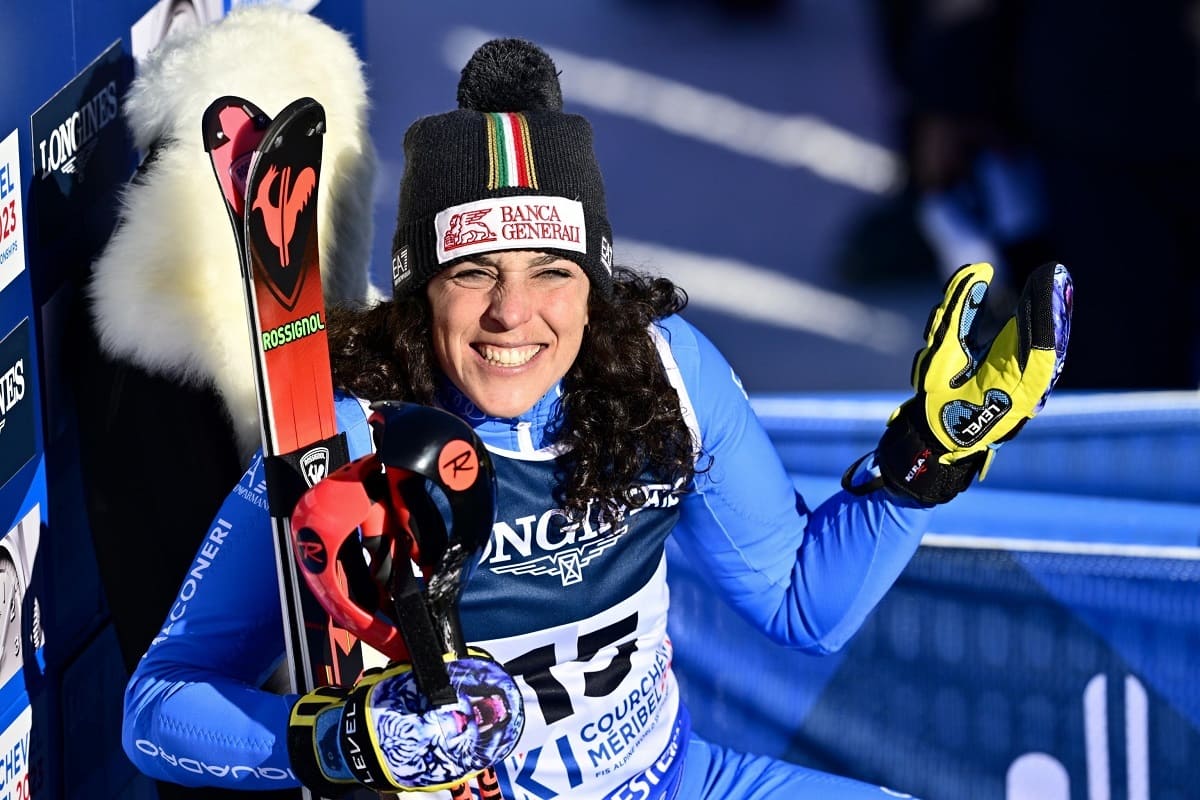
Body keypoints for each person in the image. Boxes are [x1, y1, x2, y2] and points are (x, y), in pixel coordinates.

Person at [122, 38, 1070, 799]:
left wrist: (920, 465)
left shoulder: (663, 373)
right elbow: (156, 711)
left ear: (595, 285)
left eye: (552, 273)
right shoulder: (345, 438)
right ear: (419, 290)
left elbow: (801, 608)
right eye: (473, 273)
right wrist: (344, 743)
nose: (512, 314)